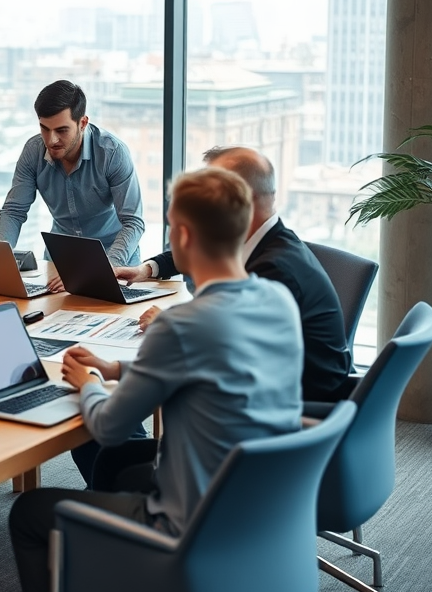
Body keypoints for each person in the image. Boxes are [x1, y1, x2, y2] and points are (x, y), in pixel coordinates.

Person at [7, 167, 304, 592]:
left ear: (182, 237)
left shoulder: (182, 325)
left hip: (189, 527)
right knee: (121, 469)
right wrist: (114, 368)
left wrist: (88, 384)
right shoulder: (278, 301)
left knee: (29, 513)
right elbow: (206, 368)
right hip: (260, 515)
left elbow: (108, 426)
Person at [117, 145, 352, 403]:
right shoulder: (268, 240)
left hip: (293, 406)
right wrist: (146, 269)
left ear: (240, 199)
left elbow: (223, 352)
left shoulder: (273, 270)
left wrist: (172, 325)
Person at [0, 79, 144, 292]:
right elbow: (13, 211)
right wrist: (0, 262)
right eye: (44, 129)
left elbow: (133, 222)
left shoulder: (112, 153)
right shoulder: (32, 152)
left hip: (114, 261)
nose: (51, 139)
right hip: (61, 265)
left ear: (82, 123)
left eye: (62, 130)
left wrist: (102, 270)